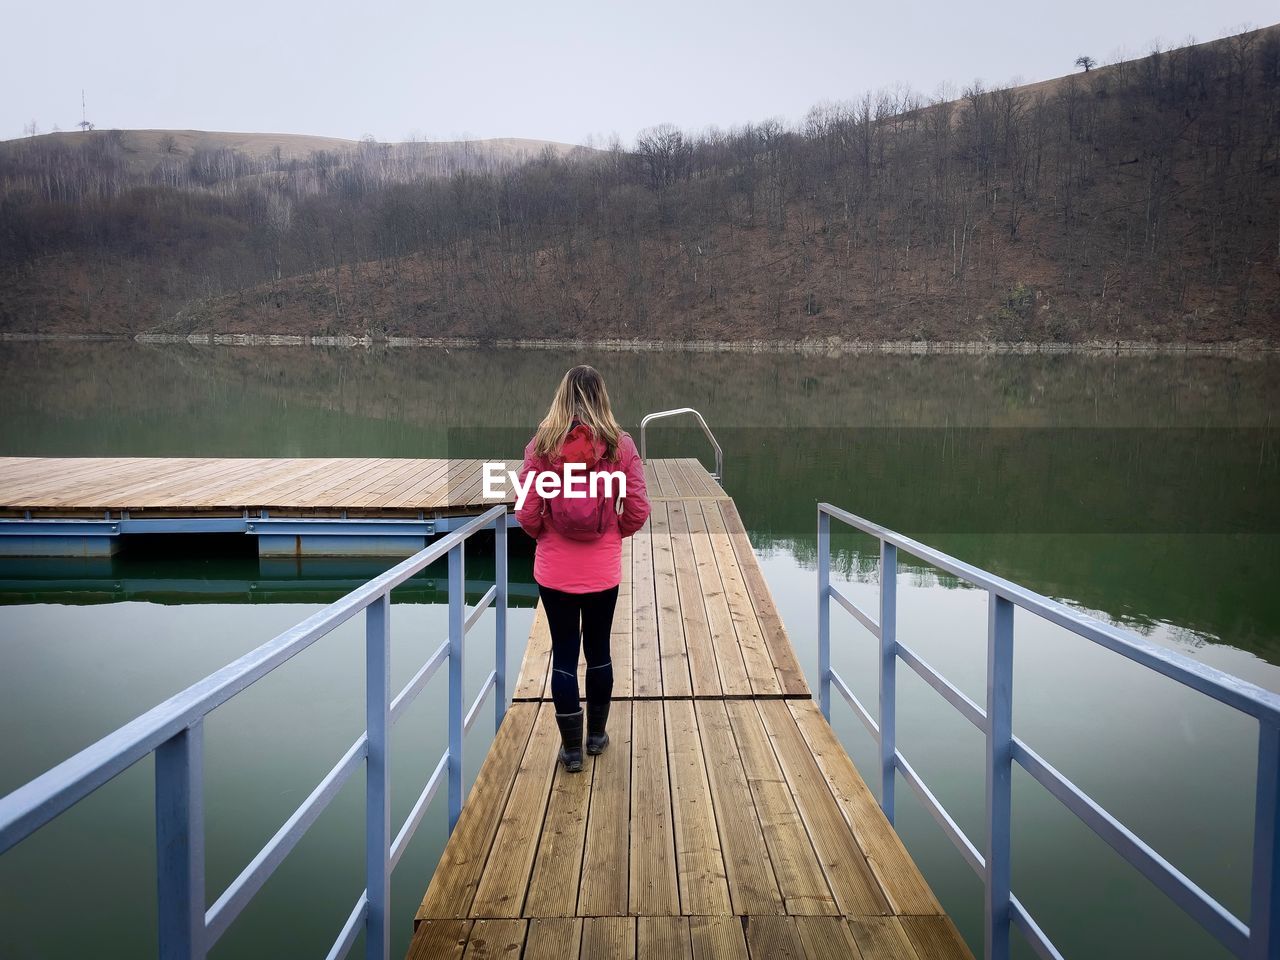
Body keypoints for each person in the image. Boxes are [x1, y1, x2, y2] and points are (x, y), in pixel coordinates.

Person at [515, 365, 650, 772]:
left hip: (554, 572)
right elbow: (639, 510)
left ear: (561, 397)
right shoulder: (620, 446)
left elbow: (525, 510)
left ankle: (571, 750)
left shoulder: (543, 446)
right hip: (602, 572)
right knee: (599, 652)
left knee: (564, 657)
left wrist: (544, 534)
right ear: (602, 398)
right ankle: (596, 737)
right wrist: (612, 532)